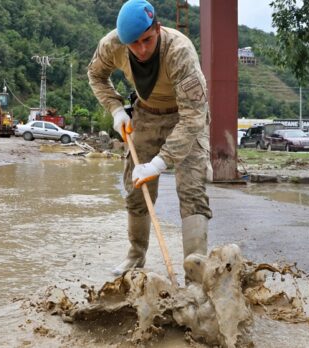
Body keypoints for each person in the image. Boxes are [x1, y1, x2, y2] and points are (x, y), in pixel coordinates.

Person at [88, 0, 212, 281]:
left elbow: (193, 117)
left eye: (147, 39)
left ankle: (196, 273)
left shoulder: (180, 51)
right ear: (123, 41)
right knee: (135, 189)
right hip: (145, 113)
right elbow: (95, 75)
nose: (142, 49)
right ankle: (135, 255)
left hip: (185, 115)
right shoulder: (112, 45)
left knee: (192, 192)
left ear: (157, 28)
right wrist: (116, 108)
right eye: (134, 43)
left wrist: (160, 163)